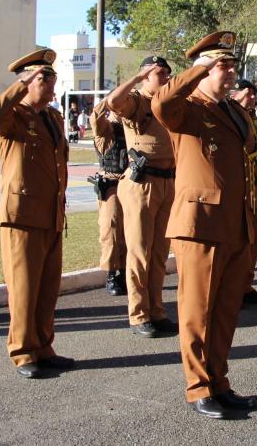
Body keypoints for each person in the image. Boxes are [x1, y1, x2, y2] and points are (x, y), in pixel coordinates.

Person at [151, 31, 257, 419]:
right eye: (220, 65)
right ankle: (198, 387)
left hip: (234, 222)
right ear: (203, 68)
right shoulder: (187, 109)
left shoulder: (234, 110)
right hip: (200, 223)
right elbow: (161, 102)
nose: (229, 71)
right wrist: (197, 68)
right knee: (198, 312)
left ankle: (219, 381)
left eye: (231, 65)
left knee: (225, 310)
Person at [0, 49, 73, 379]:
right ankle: (23, 351)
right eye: (44, 78)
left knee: (47, 288)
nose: (51, 85)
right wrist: (23, 82)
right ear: (26, 82)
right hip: (22, 215)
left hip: (51, 213)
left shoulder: (53, 118)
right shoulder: (14, 116)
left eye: (53, 78)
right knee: (24, 288)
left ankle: (43, 346)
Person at [107, 56, 178, 338]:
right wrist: (137, 79)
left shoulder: (168, 103)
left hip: (168, 181)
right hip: (142, 182)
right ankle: (138, 315)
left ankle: (157, 311)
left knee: (160, 253)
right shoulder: (136, 101)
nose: (166, 78)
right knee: (139, 252)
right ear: (146, 77)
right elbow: (113, 102)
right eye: (159, 73)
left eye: (168, 73)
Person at [230, 79, 257, 306]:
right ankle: (234, 288)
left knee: (254, 239)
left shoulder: (255, 121)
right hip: (241, 189)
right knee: (240, 241)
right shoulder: (230, 121)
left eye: (254, 94)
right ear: (234, 95)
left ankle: (246, 285)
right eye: (248, 94)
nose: (253, 98)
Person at [89, 99, 128, 296]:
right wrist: (111, 99)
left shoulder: (132, 126)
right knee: (111, 229)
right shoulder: (105, 130)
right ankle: (111, 274)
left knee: (131, 231)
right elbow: (96, 118)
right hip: (111, 184)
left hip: (131, 184)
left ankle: (126, 272)